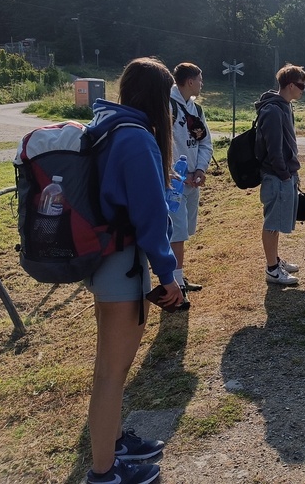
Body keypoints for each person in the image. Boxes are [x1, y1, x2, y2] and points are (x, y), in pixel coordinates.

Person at [84, 57, 184, 484]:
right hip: (122, 267)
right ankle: (104, 472)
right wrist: (169, 275)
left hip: (103, 261)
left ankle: (114, 441)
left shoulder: (105, 126)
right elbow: (150, 217)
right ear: (159, 99)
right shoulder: (137, 138)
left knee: (109, 365)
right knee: (112, 372)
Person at [255, 64, 305, 286]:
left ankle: (275, 261)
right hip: (276, 175)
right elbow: (274, 149)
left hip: (282, 174)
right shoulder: (273, 110)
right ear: (290, 86)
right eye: (301, 86)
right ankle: (272, 269)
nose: (303, 90)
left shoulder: (284, 107)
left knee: (276, 222)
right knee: (272, 222)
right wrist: (285, 175)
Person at [169, 62, 213, 308]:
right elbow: (161, 145)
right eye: (200, 79)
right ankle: (176, 287)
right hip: (173, 184)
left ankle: (178, 277)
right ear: (189, 82)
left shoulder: (196, 109)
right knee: (176, 234)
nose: (201, 84)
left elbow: (205, 143)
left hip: (191, 182)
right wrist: (176, 174)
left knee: (183, 232)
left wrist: (200, 169)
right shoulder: (167, 106)